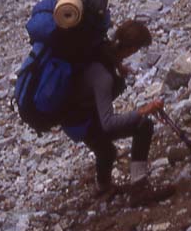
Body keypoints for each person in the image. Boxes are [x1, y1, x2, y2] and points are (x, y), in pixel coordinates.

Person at [60, 18, 174, 204]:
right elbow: (108, 123)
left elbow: (105, 65)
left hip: (73, 119)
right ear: (131, 49)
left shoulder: (103, 49)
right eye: (137, 49)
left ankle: (103, 187)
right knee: (143, 125)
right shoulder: (104, 77)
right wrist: (143, 110)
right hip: (82, 124)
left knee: (107, 151)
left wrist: (119, 67)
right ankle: (139, 188)